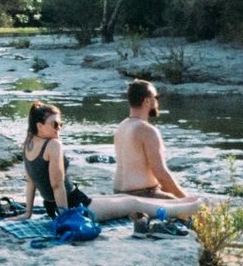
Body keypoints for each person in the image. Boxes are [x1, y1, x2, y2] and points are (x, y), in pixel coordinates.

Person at [20, 102, 184, 223]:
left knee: (122, 197)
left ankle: (179, 202)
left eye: (60, 124)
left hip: (53, 207)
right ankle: (186, 207)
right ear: (39, 126)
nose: (59, 128)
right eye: (54, 124)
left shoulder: (28, 143)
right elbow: (57, 185)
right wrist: (65, 219)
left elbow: (30, 181)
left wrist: (28, 213)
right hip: (75, 206)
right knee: (132, 202)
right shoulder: (53, 145)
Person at [113, 80, 200, 211]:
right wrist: (185, 200)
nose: (157, 101)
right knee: (198, 209)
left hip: (118, 192)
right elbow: (161, 175)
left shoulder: (122, 126)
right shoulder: (146, 130)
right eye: (156, 97)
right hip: (142, 194)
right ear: (147, 101)